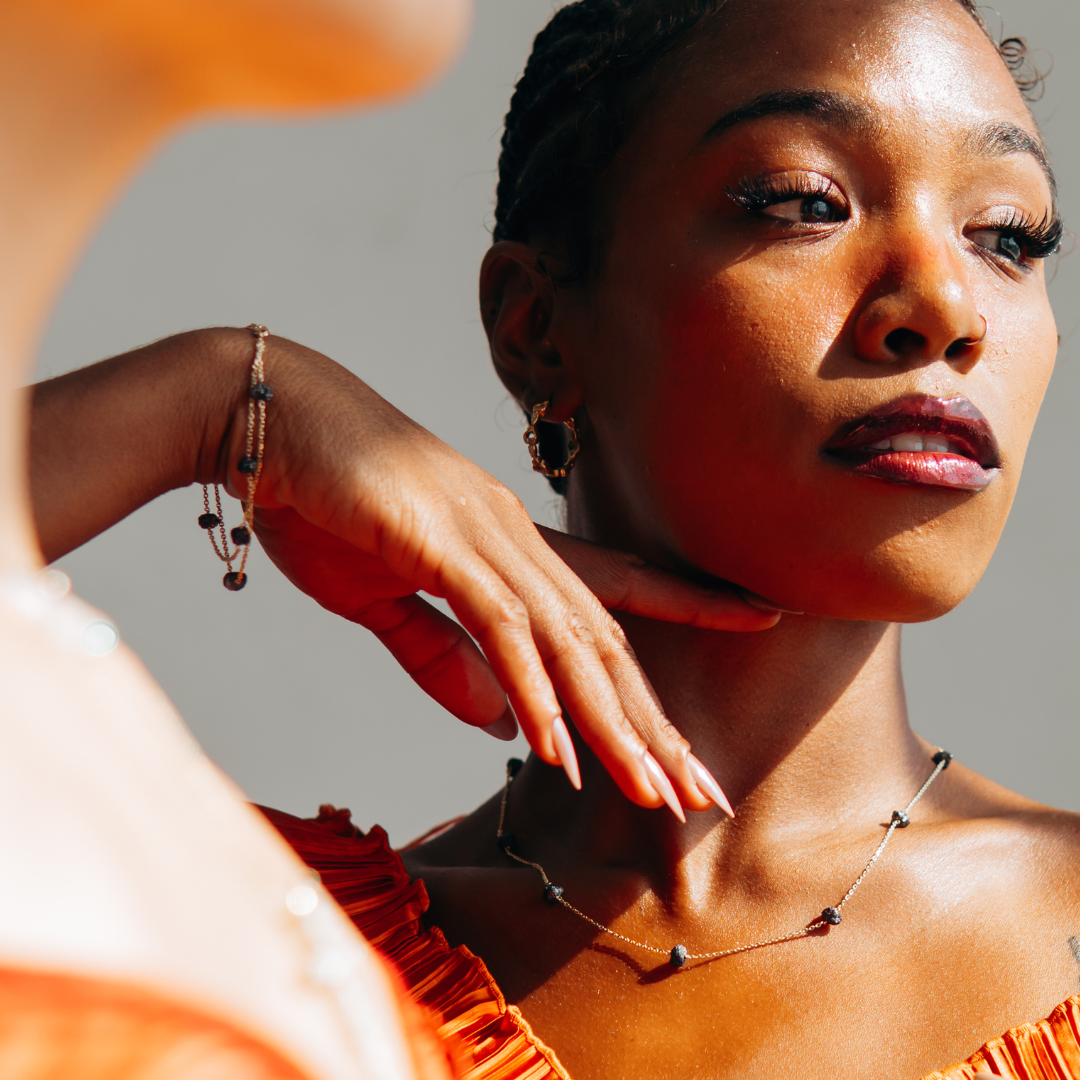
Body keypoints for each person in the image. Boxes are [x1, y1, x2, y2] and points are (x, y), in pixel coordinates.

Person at [21, 0, 1079, 1079]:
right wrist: (213, 402)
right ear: (535, 328)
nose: (948, 305)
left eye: (1007, 236)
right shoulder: (270, 946)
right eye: (805, 202)